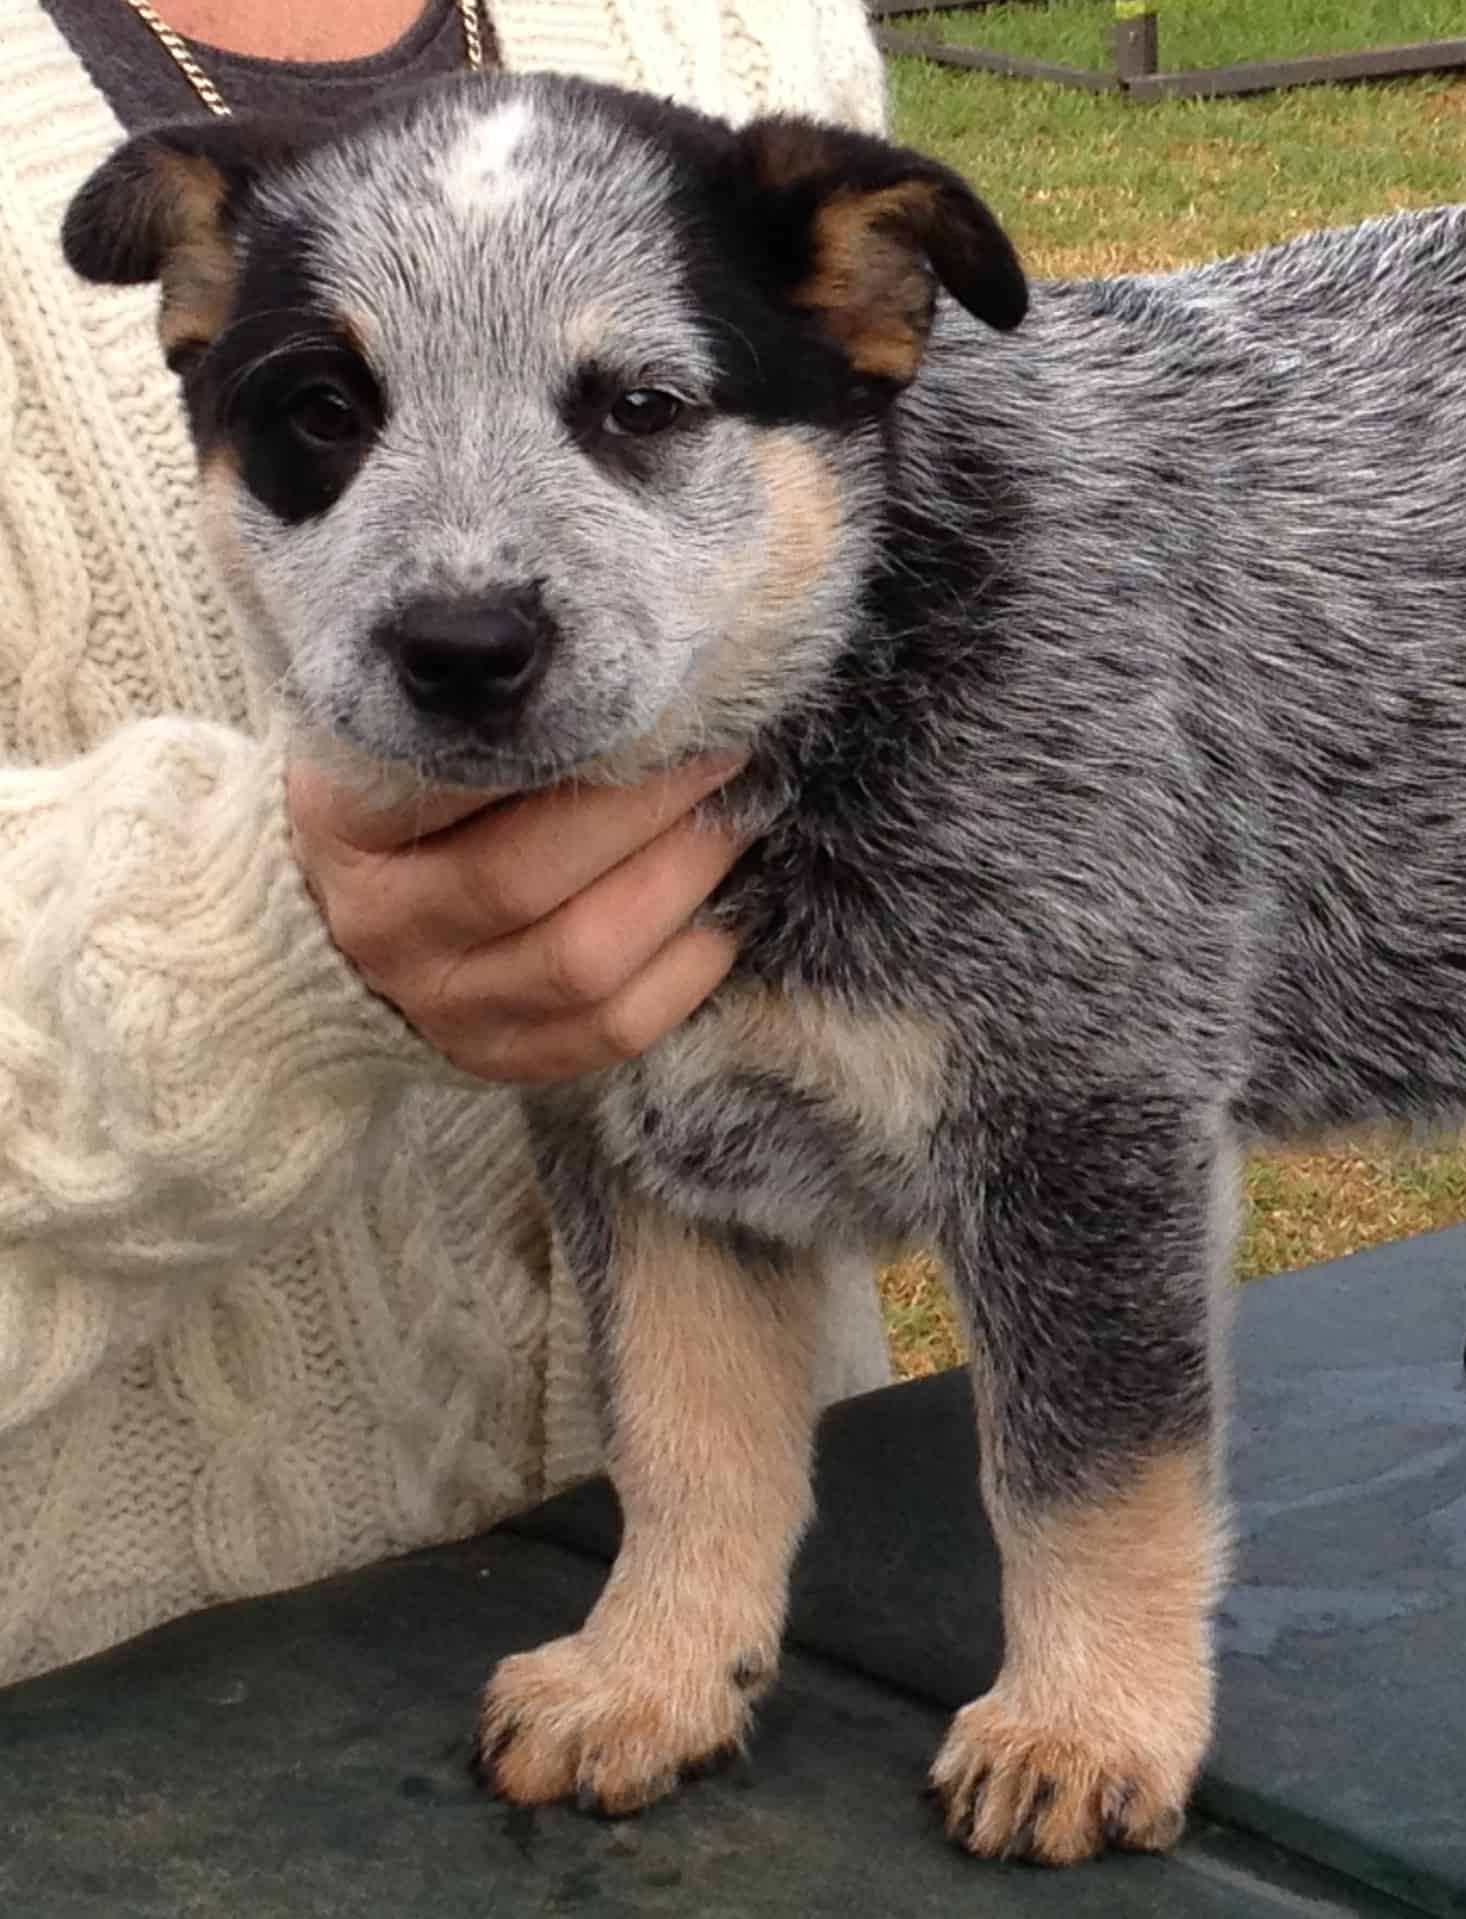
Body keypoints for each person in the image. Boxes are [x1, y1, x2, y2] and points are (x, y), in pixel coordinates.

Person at [0, 0, 898, 1685]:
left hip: (801, 1622)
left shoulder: (751, 26)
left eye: (640, 400)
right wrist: (257, 944)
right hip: (129, 1699)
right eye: (321, 409)